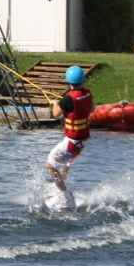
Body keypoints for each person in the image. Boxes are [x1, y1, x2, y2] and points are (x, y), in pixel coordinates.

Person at [45, 65, 93, 206]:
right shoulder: (87, 93)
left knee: (50, 165)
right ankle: (60, 192)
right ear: (82, 80)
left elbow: (55, 114)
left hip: (71, 143)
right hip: (81, 142)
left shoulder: (67, 99)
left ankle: (65, 196)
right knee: (63, 164)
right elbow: (92, 109)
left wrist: (54, 103)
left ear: (68, 80)